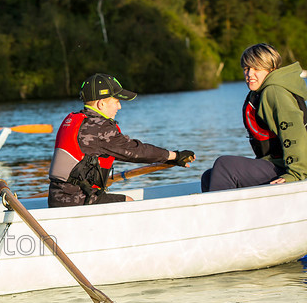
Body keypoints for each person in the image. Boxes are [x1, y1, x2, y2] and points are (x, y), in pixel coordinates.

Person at [47, 73, 195, 207]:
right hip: (77, 200)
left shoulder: (76, 120)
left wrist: (164, 159)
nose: (120, 106)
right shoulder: (99, 128)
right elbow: (135, 151)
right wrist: (174, 156)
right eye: (116, 101)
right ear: (101, 104)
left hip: (59, 198)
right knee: (128, 202)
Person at [201, 43, 307, 192]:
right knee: (209, 176)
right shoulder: (261, 92)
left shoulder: (274, 92)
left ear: (271, 69)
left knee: (224, 165)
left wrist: (296, 174)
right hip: (274, 163)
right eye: (246, 68)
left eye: (256, 68)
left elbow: (295, 133)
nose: (249, 74)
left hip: (290, 167)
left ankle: (223, 214)